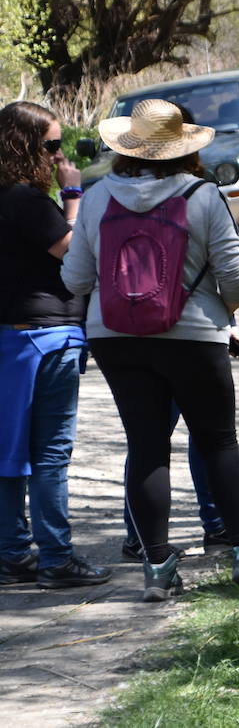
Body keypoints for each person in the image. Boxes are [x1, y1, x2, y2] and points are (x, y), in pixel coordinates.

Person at [61, 99, 239, 600]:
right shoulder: (202, 195)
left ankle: (157, 569)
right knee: (218, 442)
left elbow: (74, 279)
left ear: (128, 146)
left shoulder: (97, 199)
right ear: (184, 148)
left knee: (146, 446)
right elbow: (237, 275)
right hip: (193, 335)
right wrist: (222, 310)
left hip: (116, 337)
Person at [0, 102, 113, 589]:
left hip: (11, 338)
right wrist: (73, 194)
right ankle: (55, 558)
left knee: (8, 452)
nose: (58, 154)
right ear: (23, 146)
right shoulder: (26, 200)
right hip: (46, 339)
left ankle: (10, 551)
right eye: (50, 145)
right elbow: (73, 249)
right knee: (49, 454)